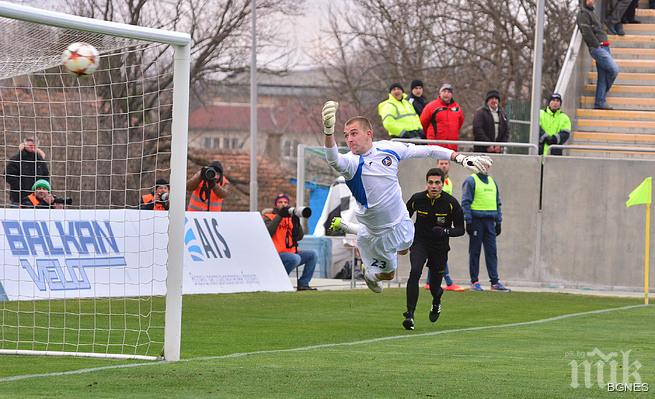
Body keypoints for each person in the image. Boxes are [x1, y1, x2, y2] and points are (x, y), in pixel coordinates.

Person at [321, 100, 491, 293]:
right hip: (374, 233)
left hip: (401, 221)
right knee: (389, 275)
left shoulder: (389, 148)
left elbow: (428, 149)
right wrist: (328, 130)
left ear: (369, 133)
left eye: (353, 133)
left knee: (403, 248)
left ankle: (357, 236)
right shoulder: (350, 163)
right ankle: (371, 272)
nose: (349, 139)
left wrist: (459, 158)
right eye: (345, 136)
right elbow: (333, 158)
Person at [403, 168, 464, 330]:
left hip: (440, 247)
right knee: (415, 271)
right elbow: (403, 218)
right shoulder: (417, 199)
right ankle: (410, 315)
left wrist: (445, 231)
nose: (434, 186)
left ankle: (437, 300)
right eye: (431, 183)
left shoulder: (451, 203)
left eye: (437, 183)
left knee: (435, 287)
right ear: (427, 184)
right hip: (420, 243)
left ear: (443, 184)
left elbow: (461, 229)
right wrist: (401, 237)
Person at [461, 165, 510, 292]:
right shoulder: (471, 181)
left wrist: (498, 222)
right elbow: (466, 201)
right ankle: (474, 281)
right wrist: (468, 220)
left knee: (492, 252)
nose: (486, 167)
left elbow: (497, 203)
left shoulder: (493, 182)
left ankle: (494, 282)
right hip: (477, 220)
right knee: (475, 252)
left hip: (490, 222)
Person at [424, 160, 465, 292]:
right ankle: (448, 281)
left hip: (443, 221)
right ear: (437, 165)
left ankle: (429, 282)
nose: (444, 165)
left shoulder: (449, 182)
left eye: (446, 163)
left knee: (437, 252)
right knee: (440, 252)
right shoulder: (434, 183)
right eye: (441, 163)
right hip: (434, 221)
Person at [262, 193, 318, 291]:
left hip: (291, 253)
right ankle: (281, 282)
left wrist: (297, 222)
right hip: (276, 254)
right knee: (295, 258)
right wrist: (279, 216)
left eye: (285, 202)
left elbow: (299, 237)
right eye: (280, 202)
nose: (283, 204)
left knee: (313, 254)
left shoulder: (290, 218)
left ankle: (303, 284)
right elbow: (268, 233)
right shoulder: (268, 217)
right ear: (276, 204)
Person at [577, 0, 620, 110]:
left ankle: (599, 101)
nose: (592, 1)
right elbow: (586, 32)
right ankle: (602, 94)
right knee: (614, 70)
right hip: (598, 48)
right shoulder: (583, 13)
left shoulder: (592, 12)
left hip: (605, 46)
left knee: (602, 76)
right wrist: (597, 46)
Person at [5, 137, 49, 206]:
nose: (32, 147)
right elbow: (7, 174)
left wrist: (43, 189)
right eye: (30, 145)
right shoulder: (16, 159)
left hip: (37, 199)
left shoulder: (40, 160)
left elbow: (46, 177)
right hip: (19, 199)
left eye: (34, 145)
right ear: (25, 145)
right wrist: (20, 186)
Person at [420, 83, 464, 151]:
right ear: (440, 93)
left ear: (452, 95)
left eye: (449, 92)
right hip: (435, 147)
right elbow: (423, 122)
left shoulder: (457, 108)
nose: (446, 94)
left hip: (452, 147)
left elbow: (459, 124)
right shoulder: (431, 106)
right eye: (444, 91)